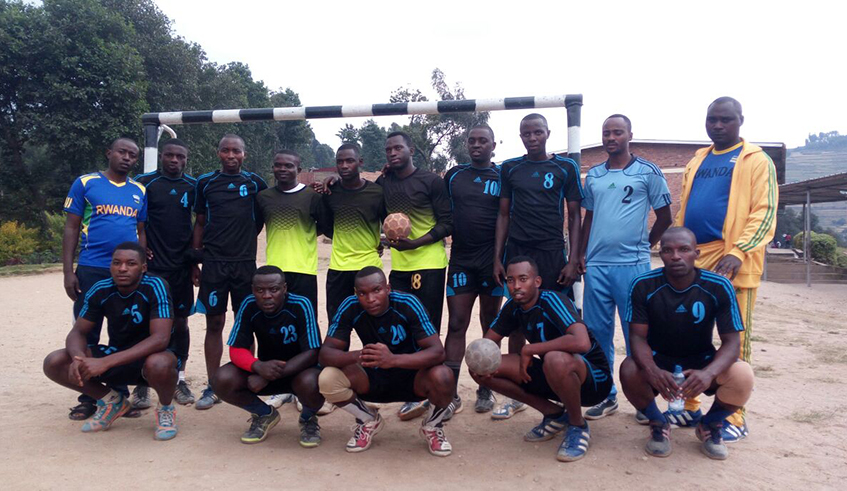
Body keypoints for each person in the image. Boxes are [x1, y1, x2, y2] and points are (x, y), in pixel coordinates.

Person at [674, 97, 777, 440]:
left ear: (740, 121)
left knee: (737, 340)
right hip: (695, 261)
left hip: (734, 265)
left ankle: (733, 417)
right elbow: (683, 212)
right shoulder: (697, 160)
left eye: (725, 120)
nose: (717, 125)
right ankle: (688, 407)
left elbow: (764, 212)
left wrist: (740, 251)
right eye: (712, 119)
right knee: (689, 334)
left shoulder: (756, 160)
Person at [620, 227, 754, 460]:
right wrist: (652, 371)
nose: (676, 256)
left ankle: (710, 425)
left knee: (742, 374)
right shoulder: (643, 285)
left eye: (684, 249)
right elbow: (637, 337)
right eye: (668, 250)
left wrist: (708, 373)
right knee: (629, 368)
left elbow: (732, 342)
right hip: (660, 360)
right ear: (660, 255)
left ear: (697, 253)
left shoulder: (718, 286)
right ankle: (659, 423)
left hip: (701, 362)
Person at [578, 115, 673, 421]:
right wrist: (580, 254)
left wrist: (646, 245)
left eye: (617, 132)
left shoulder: (648, 172)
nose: (611, 137)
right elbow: (588, 218)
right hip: (597, 266)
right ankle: (607, 395)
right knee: (597, 334)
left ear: (630, 135)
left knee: (637, 335)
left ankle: (643, 400)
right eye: (606, 133)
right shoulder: (593, 176)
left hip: (632, 268)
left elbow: (665, 217)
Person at [471, 256, 612, 462]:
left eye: (523, 279)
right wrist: (482, 364)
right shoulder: (513, 307)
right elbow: (487, 344)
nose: (516, 286)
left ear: (536, 281)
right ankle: (555, 414)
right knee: (480, 368)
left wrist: (531, 350)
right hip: (554, 374)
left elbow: (582, 343)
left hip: (593, 380)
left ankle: (577, 425)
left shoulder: (552, 300)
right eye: (511, 280)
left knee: (555, 359)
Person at [491, 113, 583, 419]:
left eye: (537, 132)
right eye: (526, 134)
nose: (532, 138)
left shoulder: (565, 167)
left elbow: (575, 215)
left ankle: (566, 382)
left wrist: (573, 259)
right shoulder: (510, 168)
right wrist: (497, 258)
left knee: (560, 317)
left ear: (547, 133)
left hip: (552, 253)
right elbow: (503, 215)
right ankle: (520, 388)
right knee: (517, 317)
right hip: (518, 252)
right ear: (520, 137)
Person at [43, 242, 179, 440]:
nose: (122, 268)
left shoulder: (155, 286)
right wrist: (78, 359)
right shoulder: (101, 289)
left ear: (143, 268)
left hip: (152, 359)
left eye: (130, 263)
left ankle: (166, 408)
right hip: (117, 354)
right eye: (117, 263)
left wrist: (104, 362)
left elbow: (160, 339)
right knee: (55, 361)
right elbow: (77, 332)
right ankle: (112, 401)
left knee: (159, 362)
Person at [318, 267, 456, 457]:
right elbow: (325, 354)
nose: (371, 299)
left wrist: (393, 360)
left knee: (444, 376)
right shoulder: (349, 305)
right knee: (328, 377)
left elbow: (438, 352)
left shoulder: (408, 303)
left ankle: (432, 427)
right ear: (356, 294)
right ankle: (368, 419)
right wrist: (360, 355)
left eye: (377, 290)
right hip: (372, 377)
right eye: (362, 293)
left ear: (388, 289)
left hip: (412, 378)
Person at [62, 137, 148, 421]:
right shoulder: (86, 183)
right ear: (109, 152)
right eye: (122, 152)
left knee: (122, 332)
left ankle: (118, 394)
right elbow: (72, 227)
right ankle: (90, 397)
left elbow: (140, 231)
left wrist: (143, 263)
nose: (127, 158)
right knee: (88, 331)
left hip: (129, 271)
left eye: (132, 155)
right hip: (93, 268)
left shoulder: (139, 190)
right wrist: (68, 271)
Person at [377, 131, 453, 421]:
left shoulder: (431, 181)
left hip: (428, 264)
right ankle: (412, 390)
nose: (393, 152)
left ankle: (435, 392)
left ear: (411, 149)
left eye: (398, 147)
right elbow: (369, 201)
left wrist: (416, 243)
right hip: (399, 268)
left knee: (428, 328)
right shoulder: (384, 183)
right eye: (388, 149)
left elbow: (447, 223)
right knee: (402, 327)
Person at [192, 134, 268, 409]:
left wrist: (243, 241)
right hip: (213, 264)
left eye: (236, 151)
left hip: (245, 264)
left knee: (245, 324)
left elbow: (259, 219)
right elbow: (199, 222)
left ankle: (246, 379)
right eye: (226, 150)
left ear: (244, 154)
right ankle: (214, 385)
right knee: (214, 323)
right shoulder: (205, 183)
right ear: (218, 153)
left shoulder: (255, 183)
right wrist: (195, 259)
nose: (231, 155)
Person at [211, 266, 324, 446]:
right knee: (221, 378)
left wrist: (270, 374)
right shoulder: (248, 305)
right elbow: (236, 349)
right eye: (260, 290)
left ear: (284, 289)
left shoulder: (301, 304)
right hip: (263, 370)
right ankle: (264, 414)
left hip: (298, 371)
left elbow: (313, 352)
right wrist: (257, 367)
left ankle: (308, 418)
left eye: (274, 289)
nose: (267, 295)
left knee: (314, 382)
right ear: (253, 290)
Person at [442, 125, 503, 415]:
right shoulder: (454, 175)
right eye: (472, 141)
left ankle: (486, 389)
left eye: (483, 141)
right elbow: (432, 200)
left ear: (494, 145)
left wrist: (501, 259)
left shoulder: (504, 175)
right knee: (456, 324)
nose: (476, 145)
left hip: (493, 263)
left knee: (491, 326)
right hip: (462, 260)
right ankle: (450, 393)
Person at [135, 139, 197, 408]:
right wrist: (142, 252)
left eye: (180, 156)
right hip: (153, 267)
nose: (175, 160)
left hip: (181, 267)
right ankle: (141, 382)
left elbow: (200, 224)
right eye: (170, 155)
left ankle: (179, 378)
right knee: (146, 324)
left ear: (186, 159)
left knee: (180, 323)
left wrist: (195, 262)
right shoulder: (144, 183)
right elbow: (138, 223)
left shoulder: (194, 186)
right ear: (161, 156)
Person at [321, 143, 386, 320]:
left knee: (375, 325)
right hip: (339, 268)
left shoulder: (377, 193)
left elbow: (387, 223)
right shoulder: (330, 192)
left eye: (349, 161)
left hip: (369, 267)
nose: (344, 166)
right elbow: (327, 227)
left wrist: (377, 243)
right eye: (340, 162)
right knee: (338, 324)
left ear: (360, 162)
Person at [257, 149, 325, 313]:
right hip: (274, 271)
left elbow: (324, 226)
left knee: (305, 318)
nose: (282, 169)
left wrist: (305, 234)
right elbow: (255, 227)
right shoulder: (263, 197)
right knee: (275, 320)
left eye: (288, 166)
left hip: (304, 270)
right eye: (278, 165)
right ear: (272, 168)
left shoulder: (312, 196)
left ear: (298, 170)